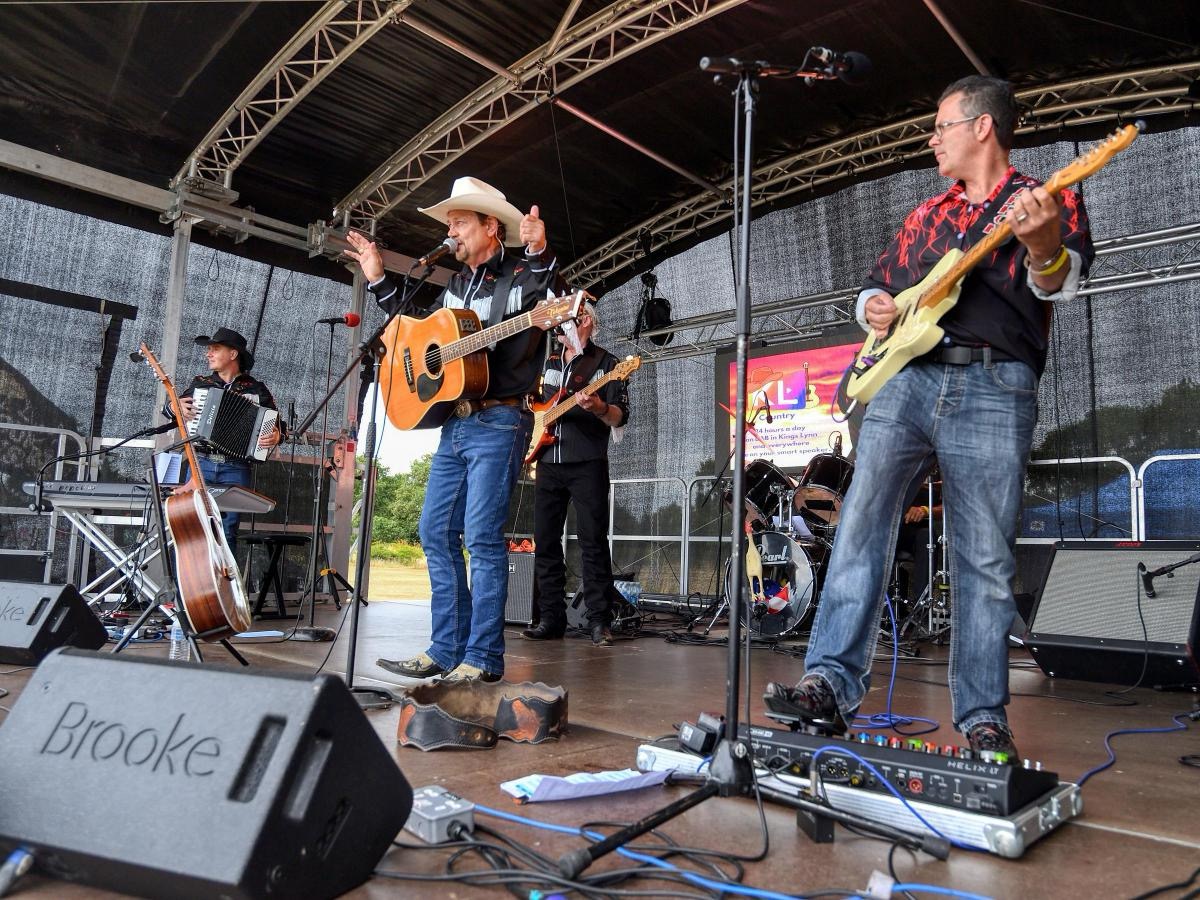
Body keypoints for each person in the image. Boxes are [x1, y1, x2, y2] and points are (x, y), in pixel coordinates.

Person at [764, 76, 1095, 761]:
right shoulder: (926, 214)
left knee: (984, 554)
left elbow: (1060, 282)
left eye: (942, 125)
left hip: (996, 381)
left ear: (982, 127)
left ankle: (982, 717)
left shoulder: (1046, 197)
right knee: (860, 523)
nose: (932, 139)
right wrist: (873, 307)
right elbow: (875, 287)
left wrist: (1042, 246)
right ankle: (828, 683)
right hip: (907, 379)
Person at [346, 176, 568, 684]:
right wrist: (378, 279)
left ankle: (482, 657)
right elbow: (415, 334)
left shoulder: (520, 274)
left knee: (483, 538)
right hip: (457, 422)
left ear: (491, 227)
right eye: (449, 224)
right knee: (435, 531)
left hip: (501, 419)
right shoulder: (454, 286)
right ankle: (445, 649)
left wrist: (539, 251)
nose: (451, 232)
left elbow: (548, 294)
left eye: (460, 222)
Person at [521, 302, 630, 647]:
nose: (560, 325)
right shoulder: (550, 362)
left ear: (584, 321)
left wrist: (599, 407)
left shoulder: (608, 364)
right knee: (545, 541)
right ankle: (551, 618)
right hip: (547, 461)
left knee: (592, 541)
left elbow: (619, 416)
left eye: (568, 319)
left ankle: (599, 622)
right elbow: (536, 406)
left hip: (587, 462)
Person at [175, 327, 282, 557]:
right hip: (200, 462)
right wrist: (175, 408)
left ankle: (225, 578)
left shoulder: (256, 389)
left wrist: (276, 436)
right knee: (193, 526)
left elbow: (278, 425)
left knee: (227, 530)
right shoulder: (200, 384)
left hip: (236, 466)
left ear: (233, 354)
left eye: (215, 349)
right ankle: (191, 576)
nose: (208, 354)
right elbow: (174, 410)